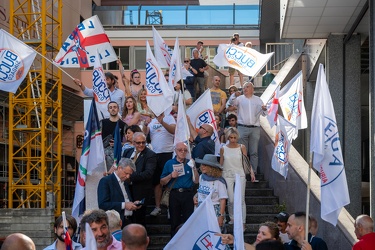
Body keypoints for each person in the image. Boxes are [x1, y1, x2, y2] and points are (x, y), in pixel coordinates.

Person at [160, 142, 199, 237]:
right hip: (174, 194)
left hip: (188, 194)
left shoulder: (190, 163)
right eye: (180, 150)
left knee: (189, 220)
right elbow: (162, 182)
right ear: (175, 151)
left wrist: (194, 167)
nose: (183, 152)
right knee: (174, 220)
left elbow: (197, 181)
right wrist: (170, 176)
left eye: (185, 150)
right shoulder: (169, 163)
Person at [228, 82, 267, 174]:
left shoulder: (258, 100)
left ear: (252, 89)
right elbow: (231, 102)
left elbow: (264, 113)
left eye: (247, 87)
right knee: (242, 151)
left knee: (254, 152)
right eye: (244, 87)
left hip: (255, 128)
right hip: (242, 127)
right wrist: (234, 95)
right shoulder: (240, 99)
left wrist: (265, 109)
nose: (245, 89)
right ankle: (244, 172)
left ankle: (253, 172)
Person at [220, 127, 255, 225]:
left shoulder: (241, 147)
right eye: (231, 137)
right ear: (228, 137)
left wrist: (251, 172)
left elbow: (246, 161)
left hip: (240, 174)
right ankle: (232, 218)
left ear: (237, 137)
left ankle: (242, 222)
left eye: (235, 137)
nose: (233, 139)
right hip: (226, 174)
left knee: (241, 199)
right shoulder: (223, 149)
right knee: (230, 199)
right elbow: (221, 163)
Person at [122, 132, 157, 226]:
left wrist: (130, 176)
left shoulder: (150, 155)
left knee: (139, 221)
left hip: (141, 192)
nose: (141, 145)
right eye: (138, 143)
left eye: (143, 142)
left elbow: (148, 173)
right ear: (133, 142)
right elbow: (122, 166)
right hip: (127, 191)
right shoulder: (127, 152)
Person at [145, 113, 176, 217]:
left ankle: (169, 206)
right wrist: (145, 124)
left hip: (167, 152)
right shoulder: (152, 120)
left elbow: (173, 130)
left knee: (169, 180)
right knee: (156, 182)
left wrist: (162, 122)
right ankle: (158, 207)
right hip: (154, 153)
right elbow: (145, 134)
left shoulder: (169, 117)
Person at [98, 158, 141, 227]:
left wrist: (133, 204)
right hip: (116, 223)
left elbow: (125, 199)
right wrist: (124, 205)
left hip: (129, 221)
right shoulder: (106, 181)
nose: (128, 176)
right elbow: (103, 204)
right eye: (126, 173)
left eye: (130, 174)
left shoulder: (125, 182)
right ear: (119, 168)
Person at [195, 154, 228, 228]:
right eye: (202, 165)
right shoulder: (201, 177)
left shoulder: (219, 181)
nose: (202, 167)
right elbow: (200, 191)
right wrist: (195, 196)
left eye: (205, 165)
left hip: (214, 211)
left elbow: (223, 199)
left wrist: (221, 216)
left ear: (212, 167)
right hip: (201, 210)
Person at [102, 101, 127, 172]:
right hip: (104, 155)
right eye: (110, 107)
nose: (113, 109)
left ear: (118, 109)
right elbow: (96, 139)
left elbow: (130, 142)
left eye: (115, 107)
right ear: (108, 110)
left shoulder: (123, 125)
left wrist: (119, 143)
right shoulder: (102, 123)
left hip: (117, 155)